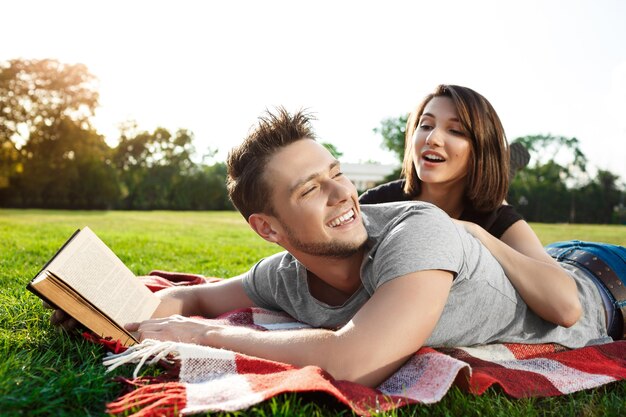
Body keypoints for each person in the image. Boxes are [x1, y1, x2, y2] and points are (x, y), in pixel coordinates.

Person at [111, 108, 622, 389]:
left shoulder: (419, 228)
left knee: (482, 228)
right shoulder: (283, 274)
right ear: (268, 229)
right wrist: (111, 309)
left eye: (337, 174)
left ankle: (491, 193)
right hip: (535, 260)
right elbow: (196, 299)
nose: (342, 194)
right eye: (310, 188)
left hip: (605, 283)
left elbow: (353, 361)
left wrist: (200, 336)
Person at [359, 84, 588, 328]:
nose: (432, 138)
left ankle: (500, 172)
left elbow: (567, 308)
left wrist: (475, 233)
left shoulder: (493, 217)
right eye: (425, 126)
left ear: (481, 149)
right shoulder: (379, 202)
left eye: (455, 131)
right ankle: (502, 171)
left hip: (581, 263)